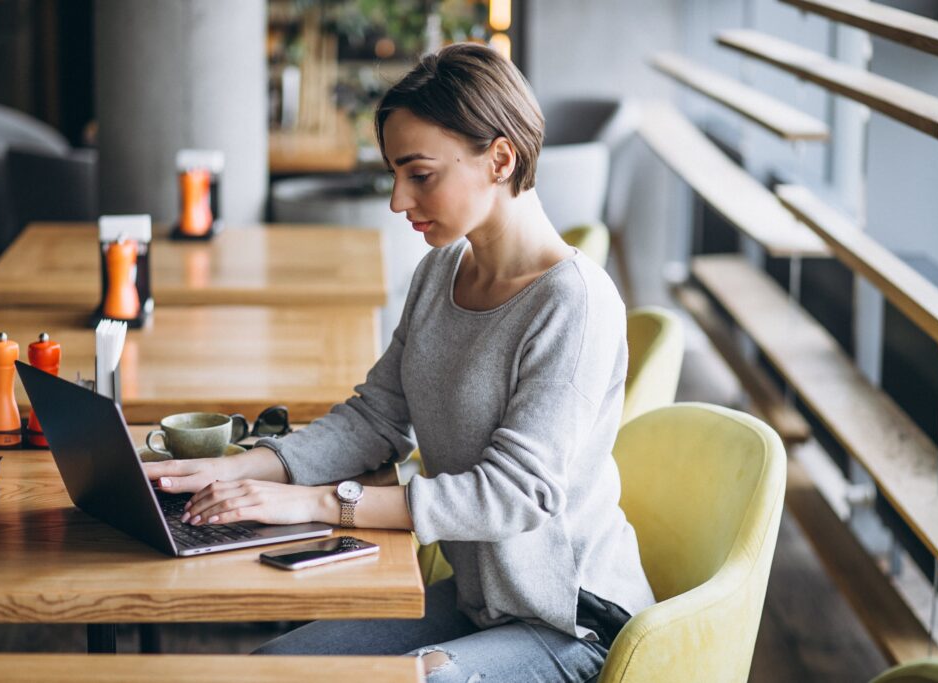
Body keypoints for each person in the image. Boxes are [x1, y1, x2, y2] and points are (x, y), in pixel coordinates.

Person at [143, 42, 655, 682]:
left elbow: (513, 496)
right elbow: (376, 419)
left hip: (571, 623)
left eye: (419, 174)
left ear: (500, 158)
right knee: (271, 673)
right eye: (393, 173)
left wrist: (320, 504)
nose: (396, 200)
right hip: (482, 606)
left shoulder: (574, 303)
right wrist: (236, 472)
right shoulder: (440, 271)